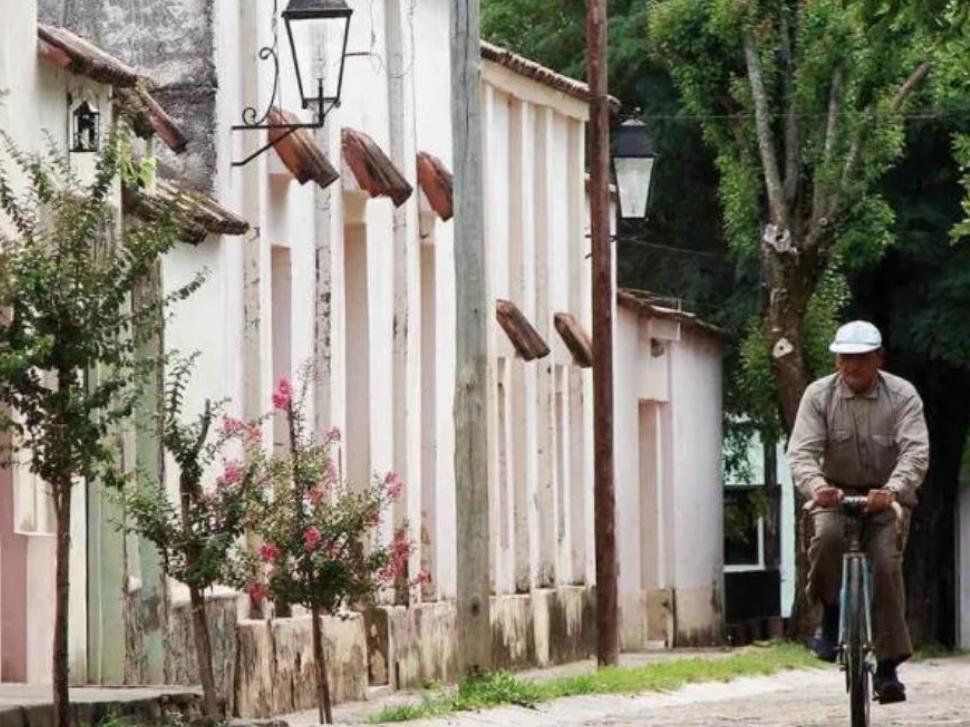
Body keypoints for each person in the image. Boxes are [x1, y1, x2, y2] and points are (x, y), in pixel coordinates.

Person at [787, 320, 929, 704]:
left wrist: (893, 489)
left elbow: (916, 451)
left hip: (886, 497)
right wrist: (818, 487)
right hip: (835, 492)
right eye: (845, 359)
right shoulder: (818, 395)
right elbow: (801, 452)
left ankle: (887, 668)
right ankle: (831, 615)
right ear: (836, 359)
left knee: (885, 563)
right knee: (828, 538)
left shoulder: (903, 396)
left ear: (878, 358)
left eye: (861, 359)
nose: (851, 368)